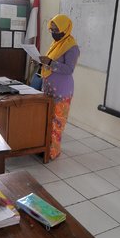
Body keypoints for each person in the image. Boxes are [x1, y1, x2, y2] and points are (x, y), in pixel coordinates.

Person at [38, 14, 80, 160]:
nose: (54, 32)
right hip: (49, 87)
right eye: (52, 29)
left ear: (65, 28)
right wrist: (42, 63)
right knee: (46, 121)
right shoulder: (56, 44)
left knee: (56, 124)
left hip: (62, 91)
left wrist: (49, 63)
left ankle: (52, 152)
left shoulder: (72, 47)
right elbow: (51, 63)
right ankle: (43, 149)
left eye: (56, 29)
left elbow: (69, 69)